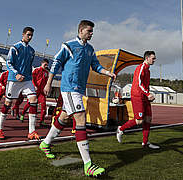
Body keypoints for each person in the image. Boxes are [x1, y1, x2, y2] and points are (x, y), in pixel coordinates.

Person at [39, 20, 116, 177]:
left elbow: (96, 66)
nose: (91, 33)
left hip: (79, 89)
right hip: (69, 87)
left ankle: (45, 143)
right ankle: (88, 164)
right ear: (81, 30)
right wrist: (48, 83)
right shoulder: (68, 45)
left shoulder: (90, 49)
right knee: (81, 118)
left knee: (63, 117)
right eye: (89, 31)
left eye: (92, 31)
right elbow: (56, 64)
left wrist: (107, 73)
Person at [0, 27, 39, 140]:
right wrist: (16, 74)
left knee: (34, 100)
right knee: (8, 103)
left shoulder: (32, 50)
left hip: (27, 80)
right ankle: (0, 129)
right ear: (23, 34)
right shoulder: (15, 48)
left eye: (31, 35)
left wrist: (31, 79)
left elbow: (29, 65)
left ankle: (31, 131)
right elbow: (9, 63)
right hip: (14, 80)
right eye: (28, 35)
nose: (30, 37)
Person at [116, 51, 160, 149]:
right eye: (153, 58)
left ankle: (145, 143)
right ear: (147, 58)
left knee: (148, 119)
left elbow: (145, 85)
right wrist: (148, 93)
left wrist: (148, 95)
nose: (154, 60)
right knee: (139, 121)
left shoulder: (148, 70)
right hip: (137, 96)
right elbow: (139, 84)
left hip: (145, 97)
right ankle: (121, 129)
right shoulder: (141, 68)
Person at [20, 59, 49, 126]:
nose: (46, 66)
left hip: (42, 91)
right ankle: (23, 114)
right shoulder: (36, 70)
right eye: (45, 64)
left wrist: (46, 89)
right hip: (35, 90)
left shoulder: (46, 72)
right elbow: (32, 78)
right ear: (42, 63)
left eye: (47, 65)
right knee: (30, 103)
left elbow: (46, 82)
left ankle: (41, 121)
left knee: (44, 105)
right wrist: (34, 86)